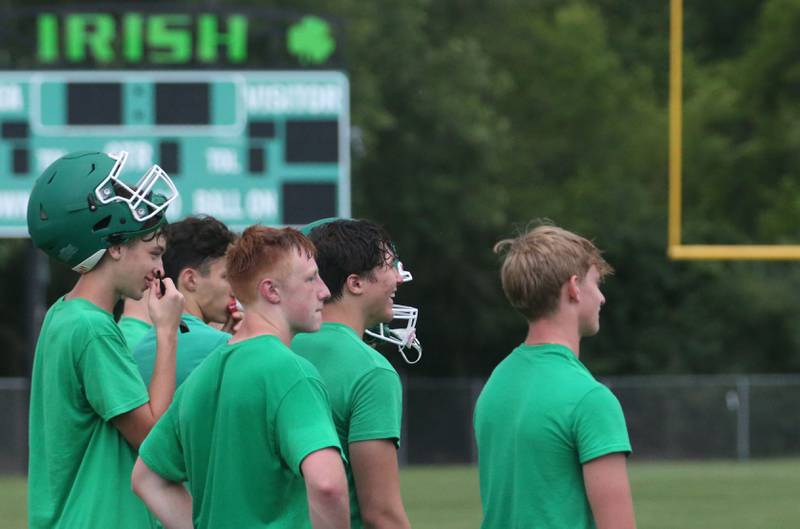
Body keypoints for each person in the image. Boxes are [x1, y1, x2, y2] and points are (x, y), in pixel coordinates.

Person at [132, 225, 350, 529]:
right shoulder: (291, 371)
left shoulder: (202, 375)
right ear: (271, 290)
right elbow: (327, 484)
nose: (325, 291)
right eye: (311, 278)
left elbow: (146, 479)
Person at [26, 150, 184, 529]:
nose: (160, 269)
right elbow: (152, 439)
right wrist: (166, 332)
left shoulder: (63, 313)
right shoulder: (93, 328)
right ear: (114, 246)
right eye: (153, 253)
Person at [474, 223, 636, 529]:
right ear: (574, 287)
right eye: (596, 283)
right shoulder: (591, 399)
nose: (601, 298)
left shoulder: (495, 384)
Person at [292, 219, 413, 529]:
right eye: (388, 265)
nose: (398, 279)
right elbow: (381, 514)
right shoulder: (371, 371)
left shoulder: (276, 347)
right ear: (355, 283)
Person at [133, 215, 239, 387]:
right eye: (226, 276)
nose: (236, 289)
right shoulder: (222, 347)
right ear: (190, 280)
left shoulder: (140, 348)